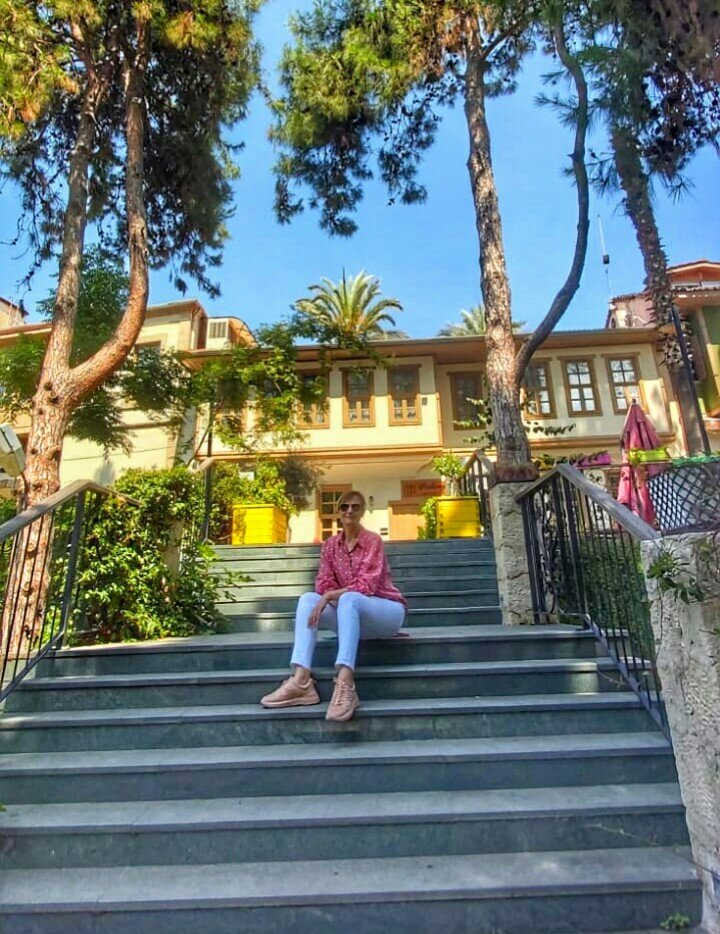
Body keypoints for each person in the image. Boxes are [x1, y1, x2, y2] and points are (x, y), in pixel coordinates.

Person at [260, 490, 406, 722]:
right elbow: (323, 581)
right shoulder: (330, 545)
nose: (349, 510)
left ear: (362, 511)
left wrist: (331, 595)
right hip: (351, 616)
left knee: (349, 598)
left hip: (385, 613)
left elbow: (367, 585)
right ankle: (301, 681)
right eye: (344, 506)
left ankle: (346, 683)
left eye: (355, 506)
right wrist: (329, 594)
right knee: (308, 599)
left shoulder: (372, 541)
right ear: (338, 511)